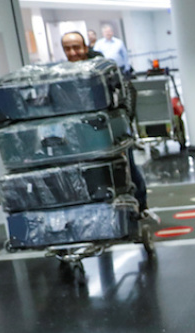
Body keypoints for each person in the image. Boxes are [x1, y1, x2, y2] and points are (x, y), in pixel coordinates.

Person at [60, 31, 147, 212]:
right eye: (67, 49)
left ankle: (140, 206)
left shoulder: (103, 69)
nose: (73, 53)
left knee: (126, 169)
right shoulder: (66, 74)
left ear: (85, 47)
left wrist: (123, 121)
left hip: (113, 130)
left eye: (76, 47)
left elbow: (128, 92)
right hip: (86, 133)